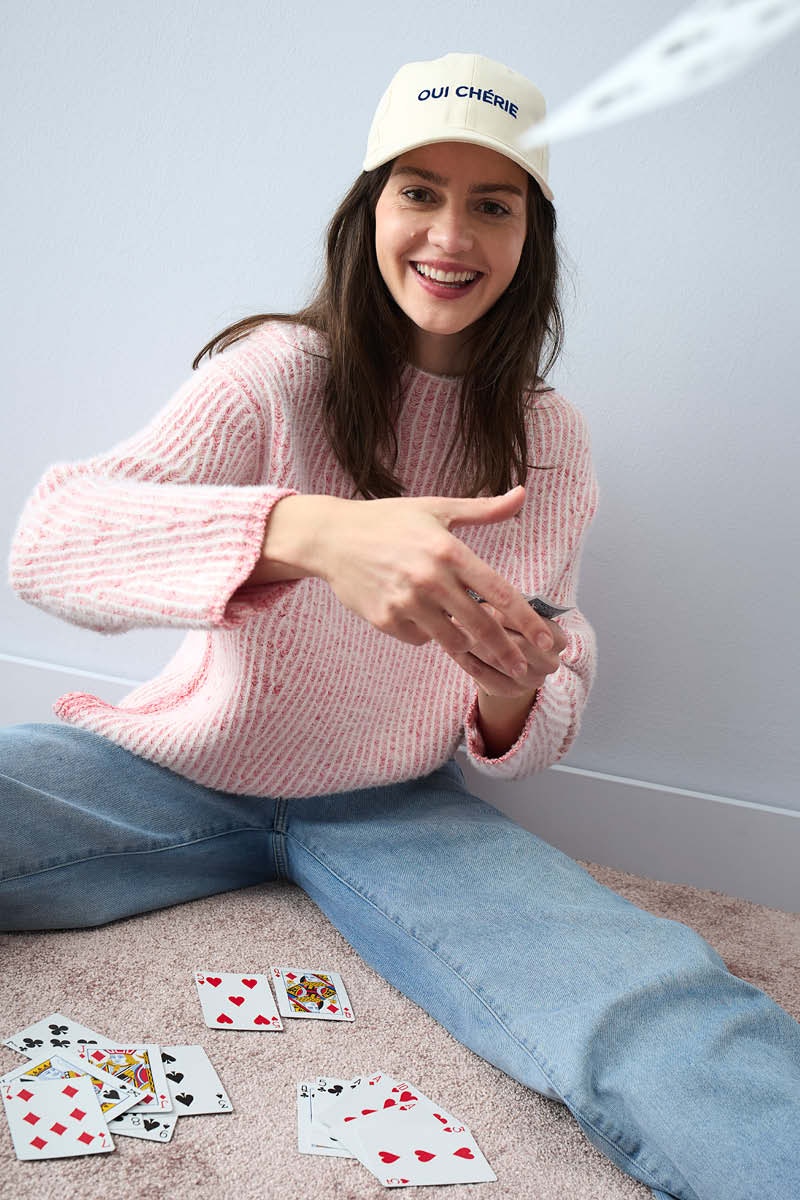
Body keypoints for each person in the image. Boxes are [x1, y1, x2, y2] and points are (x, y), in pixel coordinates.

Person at [2, 51, 798, 1199]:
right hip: (168, 773)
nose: (450, 233)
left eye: (492, 203)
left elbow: (554, 677)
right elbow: (51, 541)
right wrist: (308, 533)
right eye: (418, 190)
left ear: (531, 237)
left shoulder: (549, 438)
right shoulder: (269, 374)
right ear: (368, 207)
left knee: (657, 1006)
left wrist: (515, 688)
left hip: (397, 810)